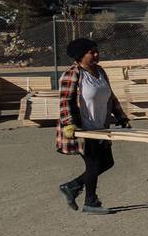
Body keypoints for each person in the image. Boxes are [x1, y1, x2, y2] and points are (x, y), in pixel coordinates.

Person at [56, 37, 130, 214]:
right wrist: (69, 124)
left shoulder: (100, 72)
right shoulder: (72, 74)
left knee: (107, 162)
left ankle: (72, 186)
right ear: (80, 56)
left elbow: (110, 97)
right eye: (91, 52)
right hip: (82, 129)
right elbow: (65, 101)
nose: (96, 55)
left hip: (101, 127)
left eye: (97, 51)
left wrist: (121, 118)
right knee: (94, 164)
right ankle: (91, 202)